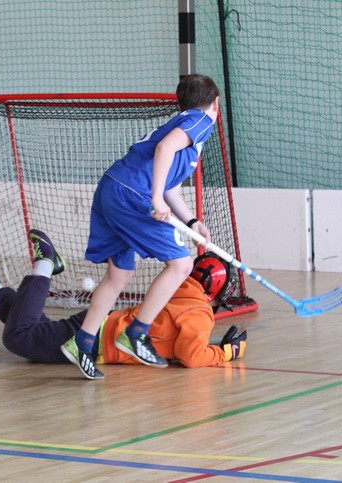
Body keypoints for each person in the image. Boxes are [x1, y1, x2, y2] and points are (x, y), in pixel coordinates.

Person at [59, 74, 222, 379]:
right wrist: (155, 197)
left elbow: (171, 188)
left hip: (113, 188)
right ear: (216, 103)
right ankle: (136, 334)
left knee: (118, 276)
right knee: (181, 265)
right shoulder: (201, 120)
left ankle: (83, 342)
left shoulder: (181, 128)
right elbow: (164, 150)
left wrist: (192, 221)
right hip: (134, 194)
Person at [0, 228, 247, 370]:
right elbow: (191, 356)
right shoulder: (200, 313)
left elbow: (177, 341)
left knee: (37, 330)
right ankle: (46, 264)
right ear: (217, 289)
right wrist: (228, 353)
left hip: (99, 327)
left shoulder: (176, 288)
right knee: (19, 337)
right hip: (96, 342)